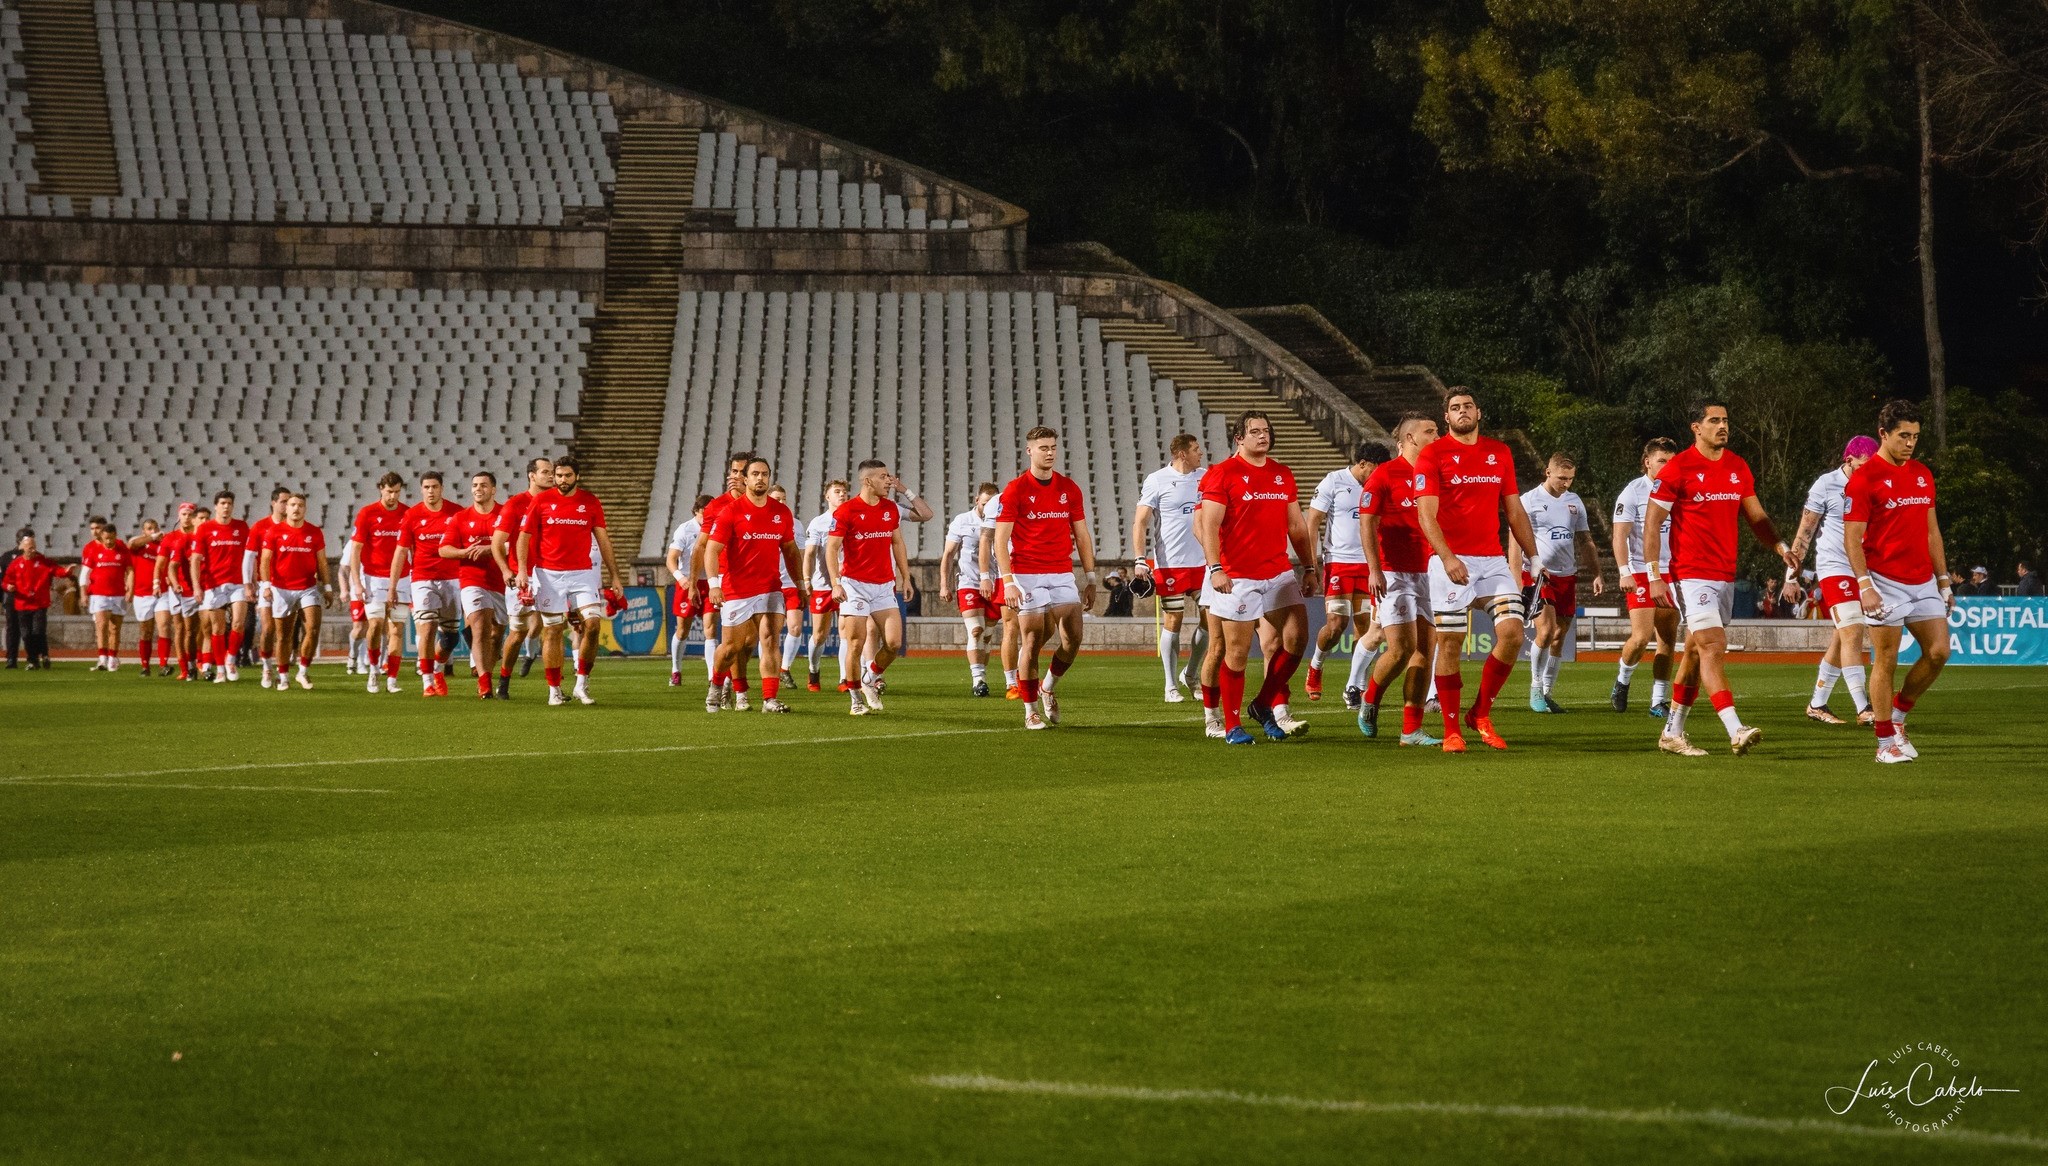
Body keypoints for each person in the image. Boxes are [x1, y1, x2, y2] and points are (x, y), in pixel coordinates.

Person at [1644, 401, 1802, 757]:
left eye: (1726, 420)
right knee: (1713, 645)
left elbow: (1756, 516)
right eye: (1714, 420)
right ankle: (1735, 728)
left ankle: (1672, 733)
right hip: (1689, 574)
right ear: (1695, 428)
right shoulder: (1678, 468)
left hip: (1724, 574)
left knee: (1696, 656)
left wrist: (1780, 546)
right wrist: (1654, 575)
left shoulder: (1737, 467)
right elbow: (1652, 522)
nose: (1722, 426)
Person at [1414, 388, 1539, 753]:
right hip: (1448, 559)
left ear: (1478, 412)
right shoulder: (1432, 455)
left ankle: (1480, 713)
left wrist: (1535, 556)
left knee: (1513, 633)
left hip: (1492, 559)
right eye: (1455, 408)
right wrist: (1448, 557)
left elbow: (1514, 510)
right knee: (1450, 641)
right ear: (1446, 418)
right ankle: (1452, 730)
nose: (1462, 411)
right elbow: (1426, 515)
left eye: (1467, 406)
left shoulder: (1499, 452)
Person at [1196, 410, 1319, 743]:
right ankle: (1232, 725)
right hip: (1238, 576)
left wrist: (1309, 566)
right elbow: (1207, 525)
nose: (1263, 436)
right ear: (1239, 438)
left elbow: (1295, 525)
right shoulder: (1223, 473)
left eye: (1266, 430)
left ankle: (1263, 704)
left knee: (1296, 638)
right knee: (1234, 652)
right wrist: (1216, 568)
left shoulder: (1282, 473)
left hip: (1278, 572)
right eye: (1254, 431)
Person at [1846, 400, 1953, 763]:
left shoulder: (1922, 473)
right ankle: (1884, 744)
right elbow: (1852, 537)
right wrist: (1864, 585)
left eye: (1915, 436)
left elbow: (1931, 530)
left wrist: (1943, 580)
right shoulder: (1864, 479)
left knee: (1939, 652)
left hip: (1922, 580)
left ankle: (1898, 717)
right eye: (1903, 436)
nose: (1910, 443)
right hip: (1883, 581)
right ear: (1884, 434)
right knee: (1886, 661)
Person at [994, 427, 1099, 730]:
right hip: (1026, 574)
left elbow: (1081, 534)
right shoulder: (1015, 490)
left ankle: (1048, 687)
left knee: (1074, 636)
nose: (1050, 452)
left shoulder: (1069, 487)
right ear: (1030, 451)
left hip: (1061, 572)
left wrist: (1090, 578)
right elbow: (1000, 541)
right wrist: (1008, 580)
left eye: (1053, 447)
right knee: (1032, 639)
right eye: (1043, 448)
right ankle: (1030, 710)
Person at [1355, 413, 1441, 744]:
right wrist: (1374, 569)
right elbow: (1367, 523)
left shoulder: (1437, 474)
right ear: (1407, 439)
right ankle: (1370, 698)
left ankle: (1410, 730)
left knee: (1425, 650)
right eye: (1429, 431)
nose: (1436, 435)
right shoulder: (1385, 475)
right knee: (1402, 649)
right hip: (1394, 573)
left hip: (1430, 572)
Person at [515, 456, 626, 706]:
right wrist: (522, 569)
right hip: (548, 574)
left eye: (567, 476)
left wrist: (615, 576)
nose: (562, 480)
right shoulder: (541, 501)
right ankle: (554, 689)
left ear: (577, 476)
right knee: (553, 630)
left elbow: (603, 541)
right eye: (558, 476)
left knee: (594, 624)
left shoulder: (590, 502)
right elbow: (524, 537)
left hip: (582, 573)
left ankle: (581, 683)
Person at [1787, 436, 1879, 726]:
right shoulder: (1826, 484)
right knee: (1853, 630)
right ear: (1848, 460)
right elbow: (1805, 533)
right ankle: (1864, 707)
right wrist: (1791, 577)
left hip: (1863, 569)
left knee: (1842, 636)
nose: (1868, 471)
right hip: (1834, 566)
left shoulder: (1876, 483)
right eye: (1863, 465)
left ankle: (1818, 704)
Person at [703, 456, 805, 714]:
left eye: (765, 474)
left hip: (771, 587)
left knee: (770, 640)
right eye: (756, 474)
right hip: (737, 589)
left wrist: (800, 584)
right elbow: (711, 550)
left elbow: (791, 552)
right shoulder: (731, 511)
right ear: (745, 479)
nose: (760, 478)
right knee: (730, 648)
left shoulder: (781, 512)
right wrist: (714, 585)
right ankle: (716, 685)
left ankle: (769, 699)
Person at [1515, 453, 1605, 713]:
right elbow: (1516, 539)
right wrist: (1517, 575)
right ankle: (1534, 690)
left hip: (1568, 575)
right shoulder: (1528, 500)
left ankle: (1547, 692)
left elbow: (1586, 540)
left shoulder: (1574, 502)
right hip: (1539, 574)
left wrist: (1596, 573)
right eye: (1562, 478)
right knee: (1546, 630)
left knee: (1559, 635)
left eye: (1570, 479)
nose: (1566, 483)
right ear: (1548, 472)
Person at [825, 459, 915, 716]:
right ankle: (855, 699)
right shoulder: (846, 511)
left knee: (894, 643)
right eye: (883, 477)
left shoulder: (890, 509)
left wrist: (905, 577)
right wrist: (836, 583)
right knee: (856, 643)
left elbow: (897, 543)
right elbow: (831, 549)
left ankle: (869, 677)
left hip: (884, 585)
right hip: (855, 586)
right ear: (867, 481)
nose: (888, 481)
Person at [1131, 434, 1209, 703]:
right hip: (1171, 563)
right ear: (1182, 454)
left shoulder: (1206, 477)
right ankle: (1169, 685)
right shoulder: (1157, 479)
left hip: (1204, 563)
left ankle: (1191, 673)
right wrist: (1140, 559)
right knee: (1173, 621)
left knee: (1211, 619)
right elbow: (1140, 521)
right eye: (1196, 450)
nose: (1201, 453)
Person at [1306, 443, 1383, 706]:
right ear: (1363, 464)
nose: (1378, 473)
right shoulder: (1334, 481)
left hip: (1370, 565)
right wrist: (1311, 562)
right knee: (1337, 624)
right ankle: (1316, 666)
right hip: (1339, 563)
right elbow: (1313, 520)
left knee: (1366, 628)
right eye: (1375, 468)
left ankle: (1355, 687)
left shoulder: (1381, 485)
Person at [1610, 438, 1682, 717]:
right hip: (1641, 569)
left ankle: (1658, 701)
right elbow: (1620, 535)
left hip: (1672, 571)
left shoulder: (1678, 490)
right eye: (1662, 460)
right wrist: (1624, 571)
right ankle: (1623, 680)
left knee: (1667, 639)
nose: (1667, 466)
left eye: (1671, 461)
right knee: (1640, 637)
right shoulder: (1633, 492)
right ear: (1648, 462)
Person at [391, 471, 459, 698]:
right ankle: (427, 682)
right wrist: (393, 586)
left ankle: (438, 667)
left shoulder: (456, 513)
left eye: (434, 487)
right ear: (421, 490)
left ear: (441, 488)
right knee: (427, 628)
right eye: (427, 487)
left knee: (450, 636)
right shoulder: (412, 515)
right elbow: (401, 551)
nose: (431, 491)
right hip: (422, 578)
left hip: (452, 578)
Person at [691, 454, 753, 708]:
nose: (735, 476)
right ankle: (727, 687)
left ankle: (733, 686)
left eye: (740, 472)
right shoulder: (717, 506)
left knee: (749, 643)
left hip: (758, 581)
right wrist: (694, 581)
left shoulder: (764, 505)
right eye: (733, 471)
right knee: (734, 643)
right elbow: (702, 546)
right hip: (729, 582)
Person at [490, 457, 552, 698]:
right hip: (521, 575)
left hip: (550, 574)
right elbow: (497, 544)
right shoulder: (515, 504)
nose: (550, 476)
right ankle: (504, 679)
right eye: (545, 471)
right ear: (531, 475)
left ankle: (554, 688)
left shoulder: (556, 504)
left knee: (553, 628)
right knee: (517, 632)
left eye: (552, 472)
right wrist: (507, 571)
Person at [444, 471, 506, 698]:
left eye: (483, 485)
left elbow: (518, 543)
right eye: (475, 485)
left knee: (496, 633)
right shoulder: (460, 518)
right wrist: (464, 552)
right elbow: (444, 548)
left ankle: (488, 672)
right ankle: (485, 682)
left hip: (501, 581)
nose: (478, 489)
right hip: (472, 579)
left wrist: (492, 550)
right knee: (480, 625)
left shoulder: (504, 514)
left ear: (493, 489)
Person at [258, 491, 329, 691]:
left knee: (313, 628)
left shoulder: (314, 532)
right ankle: (283, 676)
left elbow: (322, 562)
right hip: (281, 589)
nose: (296, 508)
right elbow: (265, 560)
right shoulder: (274, 532)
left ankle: (303, 671)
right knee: (283, 636)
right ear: (286, 508)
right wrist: (266, 585)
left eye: (300, 505)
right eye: (292, 505)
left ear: (305, 509)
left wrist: (328, 586)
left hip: (308, 587)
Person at [940, 483, 1001, 696]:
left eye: (991, 504)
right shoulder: (962, 521)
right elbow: (948, 554)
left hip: (995, 583)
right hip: (969, 582)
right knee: (975, 630)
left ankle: (982, 675)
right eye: (984, 503)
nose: (987, 508)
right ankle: (978, 680)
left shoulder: (1002, 520)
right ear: (977, 501)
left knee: (987, 635)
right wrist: (944, 584)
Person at [352, 472, 410, 694]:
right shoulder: (367, 513)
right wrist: (357, 583)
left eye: (397, 492)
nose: (393, 496)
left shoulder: (407, 513)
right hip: (374, 577)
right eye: (389, 492)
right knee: (375, 625)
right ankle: (374, 669)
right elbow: (356, 550)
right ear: (380, 489)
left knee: (396, 630)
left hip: (403, 578)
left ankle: (392, 679)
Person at [192, 490, 252, 682]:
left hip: (237, 583)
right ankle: (219, 669)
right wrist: (197, 586)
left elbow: (250, 557)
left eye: (229, 503)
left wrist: (252, 582)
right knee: (217, 629)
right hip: (214, 584)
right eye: (223, 503)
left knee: (238, 623)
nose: (226, 506)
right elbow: (195, 560)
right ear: (216, 506)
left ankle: (231, 660)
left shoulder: (242, 527)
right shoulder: (205, 529)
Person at [2, 532, 68, 668]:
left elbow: (55, 570)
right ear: (22, 546)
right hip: (19, 603)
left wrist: (67, 572)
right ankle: (23, 659)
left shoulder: (41, 560)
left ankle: (40, 656)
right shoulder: (12, 561)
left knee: (37, 631)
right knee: (22, 633)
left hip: (38, 603)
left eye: (34, 547)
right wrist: (8, 587)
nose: (33, 550)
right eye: (30, 547)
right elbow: (5, 580)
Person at [665, 494, 710, 689]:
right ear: (697, 511)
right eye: (705, 511)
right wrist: (681, 578)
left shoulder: (717, 528)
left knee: (711, 630)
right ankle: (676, 670)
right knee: (683, 630)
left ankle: (712, 676)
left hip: (710, 583)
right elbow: (671, 558)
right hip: (688, 582)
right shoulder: (685, 529)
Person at [246, 486, 289, 688]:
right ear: (273, 503)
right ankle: (266, 665)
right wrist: (248, 583)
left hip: (289, 586)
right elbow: (249, 556)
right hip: (266, 584)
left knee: (284, 634)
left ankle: (282, 669)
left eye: (290, 502)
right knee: (268, 629)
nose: (287, 505)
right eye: (283, 501)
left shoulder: (295, 526)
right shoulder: (260, 527)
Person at [79, 517, 134, 672]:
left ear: (116, 536)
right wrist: (84, 593)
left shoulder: (122, 548)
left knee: (115, 628)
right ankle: (102, 658)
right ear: (102, 538)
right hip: (99, 594)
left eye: (112, 538)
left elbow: (130, 570)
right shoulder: (92, 549)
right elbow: (84, 573)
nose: (109, 542)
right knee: (102, 625)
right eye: (106, 539)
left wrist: (130, 587)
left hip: (118, 594)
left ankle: (112, 658)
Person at [156, 504, 204, 679]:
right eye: (183, 514)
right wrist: (160, 582)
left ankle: (199, 661)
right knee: (180, 628)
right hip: (180, 591)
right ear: (179, 516)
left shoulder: (201, 537)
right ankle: (184, 667)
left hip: (200, 589)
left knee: (200, 628)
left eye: (190, 514)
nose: (186, 517)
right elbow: (163, 565)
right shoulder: (173, 538)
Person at [768, 483, 805, 688]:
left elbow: (799, 554)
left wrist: (803, 581)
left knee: (795, 627)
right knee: (771, 632)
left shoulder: (796, 524)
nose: (781, 502)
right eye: (777, 499)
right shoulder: (761, 521)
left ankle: (784, 670)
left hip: (790, 582)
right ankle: (769, 671)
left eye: (784, 499)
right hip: (770, 583)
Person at [127, 518, 165, 675]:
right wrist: (154, 537)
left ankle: (163, 665)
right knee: (146, 630)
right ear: (143, 531)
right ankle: (145, 665)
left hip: (162, 592)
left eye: (155, 528)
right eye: (149, 528)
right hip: (142, 593)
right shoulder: (139, 544)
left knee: (164, 626)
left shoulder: (164, 545)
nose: (153, 530)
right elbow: (131, 544)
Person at [1, 526, 27, 668]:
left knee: (30, 629)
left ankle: (33, 658)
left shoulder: (37, 557)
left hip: (29, 598)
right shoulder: (6, 557)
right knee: (12, 628)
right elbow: (1, 579)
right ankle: (11, 658)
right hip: (12, 598)